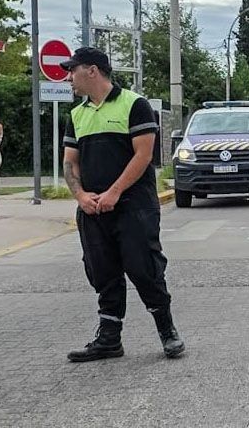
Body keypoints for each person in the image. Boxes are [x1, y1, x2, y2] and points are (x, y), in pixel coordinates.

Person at [60, 46, 184, 362]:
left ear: (92, 70)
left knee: (144, 268)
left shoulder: (135, 105)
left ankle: (167, 330)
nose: (68, 77)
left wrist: (115, 192)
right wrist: (81, 196)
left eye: (72, 70)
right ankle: (109, 339)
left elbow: (143, 155)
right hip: (93, 210)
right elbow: (69, 162)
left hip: (133, 206)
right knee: (102, 272)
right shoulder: (77, 114)